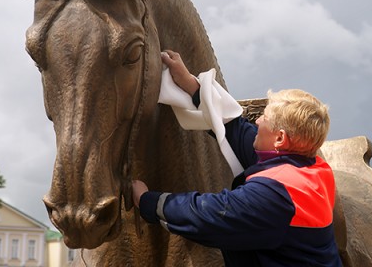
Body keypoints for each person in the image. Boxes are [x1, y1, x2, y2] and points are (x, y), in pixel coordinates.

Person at [132, 50, 342, 267]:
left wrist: (147, 201)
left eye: (265, 118)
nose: (258, 121)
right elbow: (235, 128)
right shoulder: (311, 168)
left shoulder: (276, 196)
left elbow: (209, 214)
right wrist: (191, 85)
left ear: (280, 138)